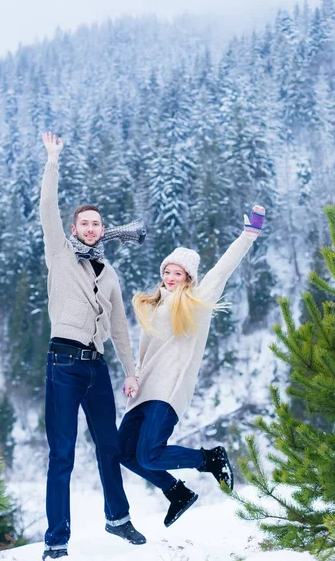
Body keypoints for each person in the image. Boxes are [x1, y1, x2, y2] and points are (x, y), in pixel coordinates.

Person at [118, 205, 266, 528]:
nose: (170, 278)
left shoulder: (196, 301)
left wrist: (249, 234)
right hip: (142, 392)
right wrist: (134, 377)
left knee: (148, 454)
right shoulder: (154, 306)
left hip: (168, 390)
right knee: (123, 453)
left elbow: (223, 269)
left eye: (178, 274)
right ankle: (177, 492)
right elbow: (144, 354)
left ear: (188, 278)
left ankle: (208, 459)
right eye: (167, 272)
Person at [39, 132, 146, 560]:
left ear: (103, 230)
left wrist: (132, 372)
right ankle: (56, 541)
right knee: (61, 453)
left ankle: (117, 519)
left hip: (96, 367)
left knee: (110, 446)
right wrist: (53, 160)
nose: (91, 228)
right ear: (73, 228)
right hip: (63, 363)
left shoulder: (111, 273)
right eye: (84, 222)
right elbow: (47, 207)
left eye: (96, 223)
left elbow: (120, 327)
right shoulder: (59, 254)